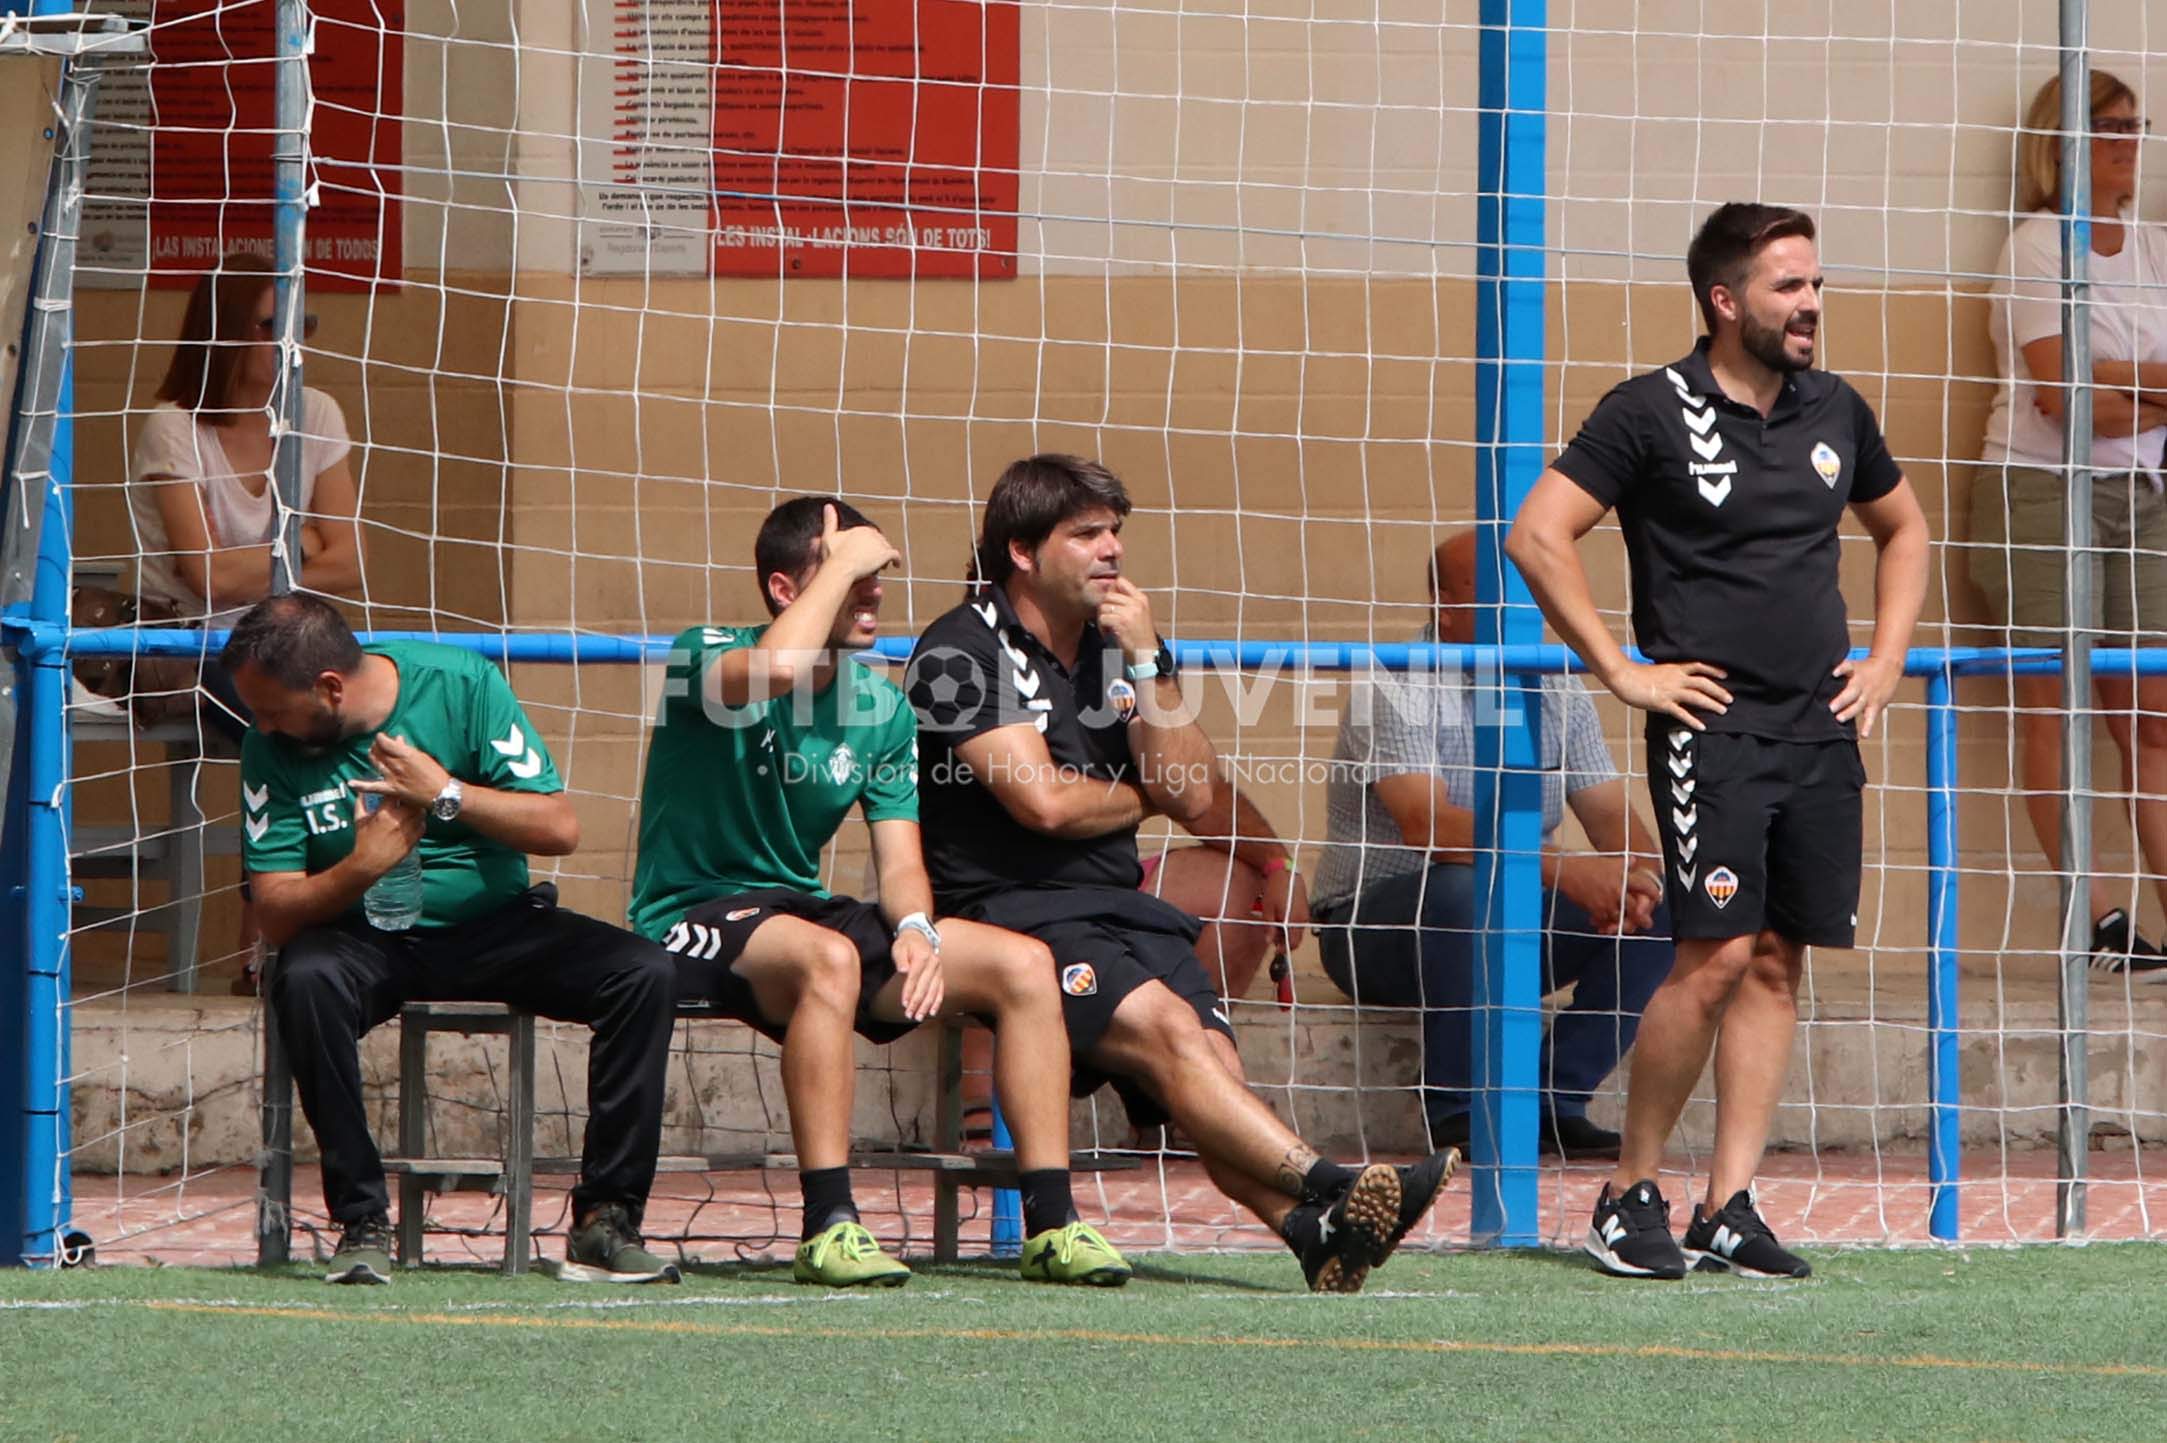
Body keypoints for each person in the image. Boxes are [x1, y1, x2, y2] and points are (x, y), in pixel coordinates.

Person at [908, 454, 1457, 1295]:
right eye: (1085, 534)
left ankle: (1309, 1233)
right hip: (1011, 911)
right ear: (1021, 551)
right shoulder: (957, 648)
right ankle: (1335, 1183)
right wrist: (1147, 794)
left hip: (1115, 904)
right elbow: (1044, 805)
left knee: (1211, 1064)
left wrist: (1148, 661)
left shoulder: (1116, 647)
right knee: (1170, 1030)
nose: (1111, 549)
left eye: (1114, 531)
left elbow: (1194, 790)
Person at [1507, 202, 1928, 1280]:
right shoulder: (1648, 409)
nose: (1812, 304)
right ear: (1724, 300)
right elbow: (1536, 533)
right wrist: (1621, 669)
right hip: (1712, 731)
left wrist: (1885, 660)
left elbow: (1903, 528)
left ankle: (1726, 1206)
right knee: (1715, 957)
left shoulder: (1836, 408)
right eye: (1790, 286)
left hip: (1820, 730)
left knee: (1779, 961)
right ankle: (1625, 1193)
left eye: (1817, 284)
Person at [629, 497, 1131, 1289]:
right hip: (688, 910)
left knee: (1023, 965)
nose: (872, 590)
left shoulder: (880, 706)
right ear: (785, 589)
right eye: (849, 574)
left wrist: (918, 930)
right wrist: (845, 563)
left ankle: (1051, 1224)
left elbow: (899, 861)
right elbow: (776, 671)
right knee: (827, 958)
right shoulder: (706, 655)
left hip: (797, 910)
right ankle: (829, 1224)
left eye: (875, 575)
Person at [225, 593, 680, 1287]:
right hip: (363, 935)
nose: (262, 725)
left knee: (643, 973)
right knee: (305, 979)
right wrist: (362, 866)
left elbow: (559, 827)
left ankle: (605, 1220)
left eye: (272, 710)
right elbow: (277, 913)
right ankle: (362, 1219)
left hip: (497, 925)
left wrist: (446, 793)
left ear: (330, 688)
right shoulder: (269, 749)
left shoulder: (462, 685)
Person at [1310, 530, 1675, 1160]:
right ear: (1444, 607)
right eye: (1495, 594)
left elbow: (1616, 822)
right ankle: (1458, 1113)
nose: (1520, 606)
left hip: (1511, 913)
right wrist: (1566, 872)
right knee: (1468, 885)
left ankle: (1554, 1100)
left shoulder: (1557, 687)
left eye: (1527, 591)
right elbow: (1431, 829)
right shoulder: (1394, 683)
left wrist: (1636, 883)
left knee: (1669, 907)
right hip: (1374, 930)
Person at [1972, 69, 2167, 984]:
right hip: (2043, 492)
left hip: (2144, 495)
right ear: (2062, 142)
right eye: (2107, 126)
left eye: (2134, 124)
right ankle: (2095, 919)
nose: (2127, 140)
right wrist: (2135, 388)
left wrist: (2115, 380)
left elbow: (2100, 396)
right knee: (2057, 707)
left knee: (2152, 719)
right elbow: (2063, 403)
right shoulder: (2037, 247)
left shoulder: (2154, 249)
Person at [133, 252, 365, 745]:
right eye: (272, 326)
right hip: (192, 643)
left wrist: (242, 570)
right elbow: (208, 580)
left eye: (302, 325)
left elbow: (350, 564)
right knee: (300, 734)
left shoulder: (316, 412)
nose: (291, 340)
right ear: (225, 332)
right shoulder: (174, 427)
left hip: (287, 639)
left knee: (374, 712)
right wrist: (303, 543)